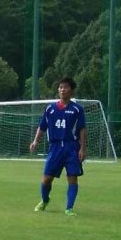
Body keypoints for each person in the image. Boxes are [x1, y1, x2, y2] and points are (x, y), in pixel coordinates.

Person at [29, 77, 86, 217]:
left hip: (71, 147)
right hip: (55, 147)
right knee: (46, 179)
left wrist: (82, 148)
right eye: (60, 87)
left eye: (66, 87)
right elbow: (42, 126)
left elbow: (82, 129)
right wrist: (35, 141)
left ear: (71, 91)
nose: (62, 90)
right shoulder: (50, 108)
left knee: (72, 178)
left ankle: (69, 208)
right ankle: (45, 200)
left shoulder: (77, 109)